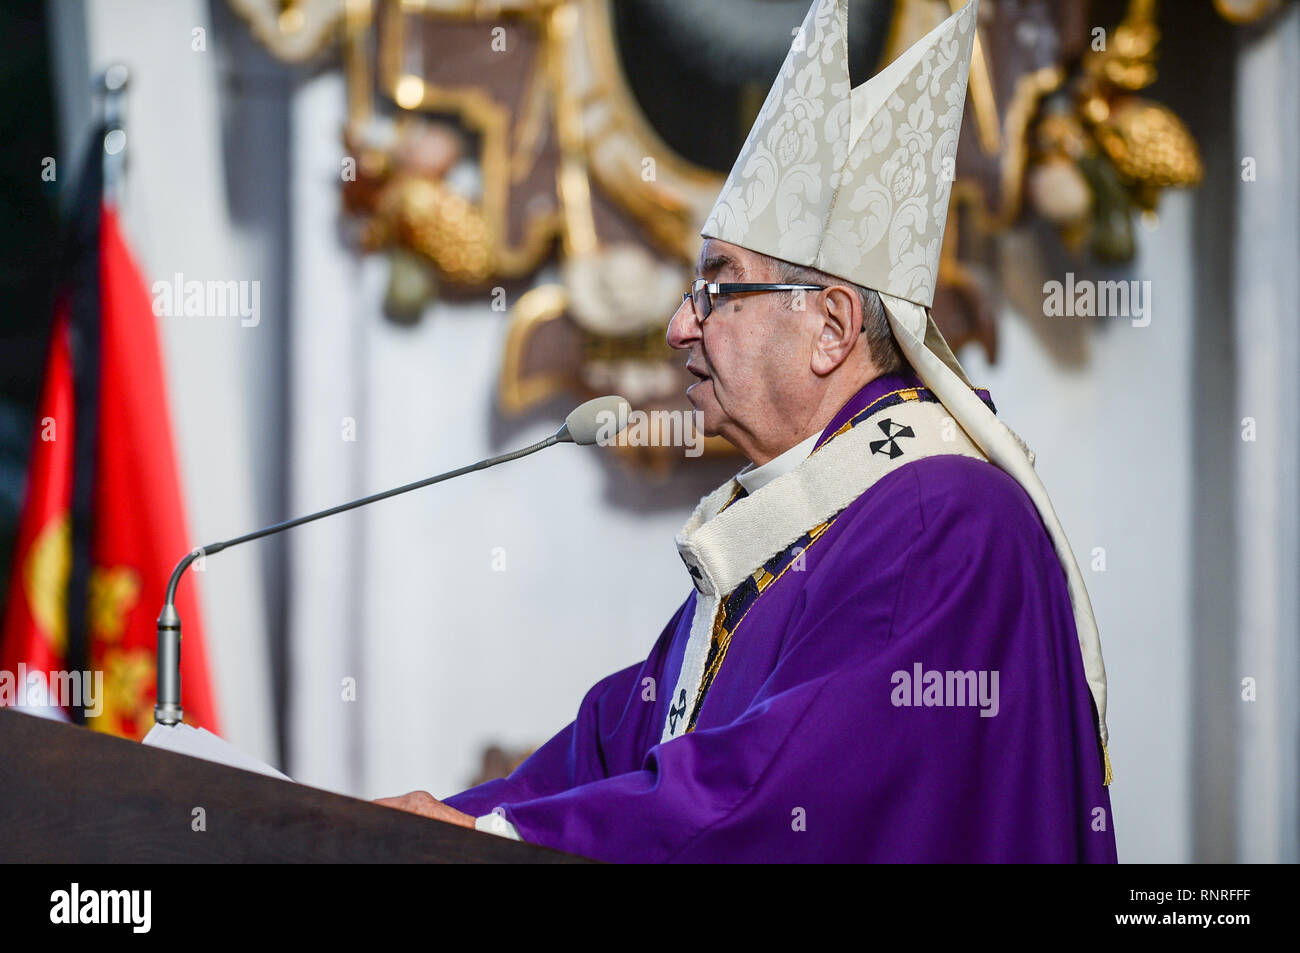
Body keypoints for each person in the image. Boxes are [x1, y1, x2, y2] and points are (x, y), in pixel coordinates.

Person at [377, 0, 1117, 863]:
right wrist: (425, 829)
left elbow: (782, 793)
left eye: (720, 288)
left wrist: (495, 837)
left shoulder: (941, 518)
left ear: (833, 325)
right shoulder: (793, 524)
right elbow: (611, 748)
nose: (679, 327)